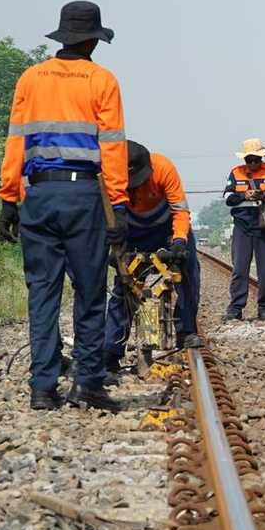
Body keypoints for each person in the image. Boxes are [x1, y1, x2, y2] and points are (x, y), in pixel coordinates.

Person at [0, 0, 127, 412]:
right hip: (82, 196)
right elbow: (112, 147)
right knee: (89, 292)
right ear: (93, 38)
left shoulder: (30, 79)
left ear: (63, 36)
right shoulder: (101, 80)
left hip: (38, 196)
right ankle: (87, 382)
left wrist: (8, 199)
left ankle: (42, 386)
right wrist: (119, 205)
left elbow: (16, 139)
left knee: (43, 293)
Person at [104, 141, 202, 378]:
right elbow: (103, 216)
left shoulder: (164, 168)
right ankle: (110, 349)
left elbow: (180, 210)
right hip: (131, 230)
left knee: (187, 272)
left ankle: (186, 330)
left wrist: (179, 241)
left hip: (166, 228)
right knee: (124, 286)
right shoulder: (109, 179)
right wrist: (111, 248)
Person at [222, 138, 265, 320]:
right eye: (248, 160)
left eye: (255, 160)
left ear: (261, 158)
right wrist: (244, 195)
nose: (252, 164)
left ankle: (264, 308)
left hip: (264, 225)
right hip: (242, 225)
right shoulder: (236, 173)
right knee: (240, 268)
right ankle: (235, 308)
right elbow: (228, 197)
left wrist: (264, 196)